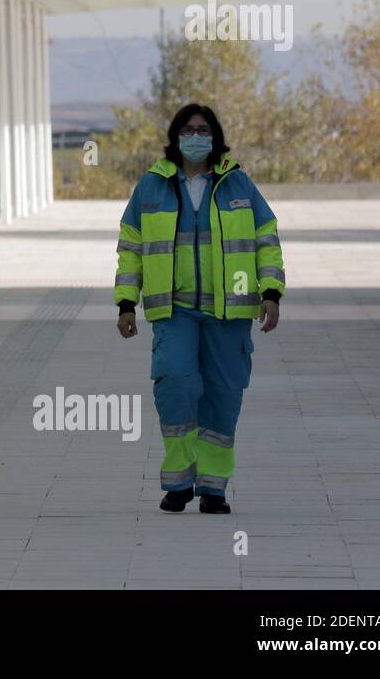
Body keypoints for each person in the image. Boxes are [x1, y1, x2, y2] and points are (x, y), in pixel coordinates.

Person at [114, 104, 285, 514]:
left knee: (222, 396)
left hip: (229, 313)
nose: (196, 136)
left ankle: (213, 487)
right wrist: (125, 302)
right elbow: (131, 248)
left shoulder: (237, 183)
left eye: (203, 130)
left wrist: (272, 291)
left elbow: (266, 237)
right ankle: (177, 482)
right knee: (174, 386)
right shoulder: (153, 185)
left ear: (216, 137)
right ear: (175, 137)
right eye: (188, 130)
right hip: (174, 312)